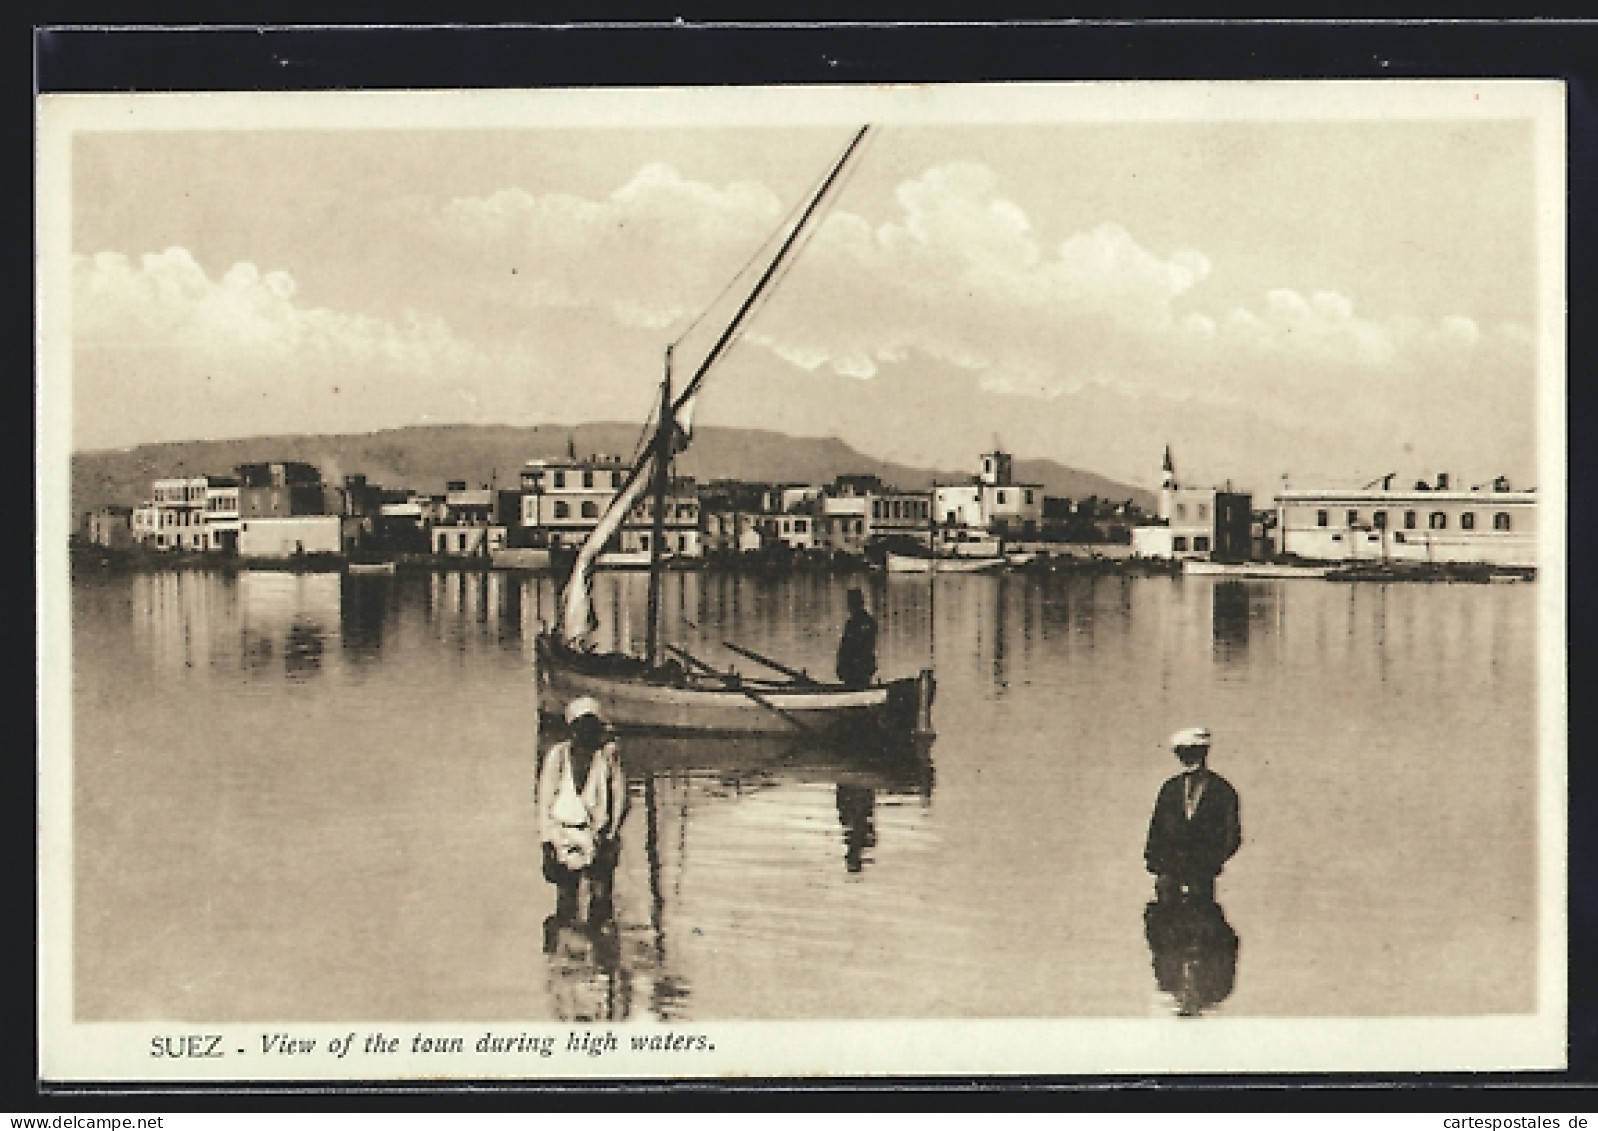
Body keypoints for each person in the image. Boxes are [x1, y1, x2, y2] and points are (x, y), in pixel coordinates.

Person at [536, 697, 629, 926]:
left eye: (592, 726)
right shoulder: (557, 756)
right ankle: (566, 956)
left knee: (600, 899)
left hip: (597, 835)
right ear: (572, 728)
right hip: (563, 834)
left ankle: (599, 953)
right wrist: (547, 841)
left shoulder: (607, 757)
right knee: (566, 898)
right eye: (580, 725)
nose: (585, 732)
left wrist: (611, 834)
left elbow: (620, 798)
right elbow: (544, 801)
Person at [1143, 726, 1241, 903]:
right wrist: (1161, 866)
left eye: (1193, 751)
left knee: (1202, 923)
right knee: (1165, 924)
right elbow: (1156, 831)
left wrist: (1208, 862)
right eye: (1182, 753)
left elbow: (1231, 836)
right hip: (1169, 875)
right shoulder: (1170, 789)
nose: (1187, 757)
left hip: (1201, 875)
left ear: (1204, 752)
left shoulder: (1222, 790)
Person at [836, 587, 878, 688]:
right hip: (858, 668)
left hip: (857, 669)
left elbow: (852, 647)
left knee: (857, 686)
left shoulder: (857, 623)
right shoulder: (866, 621)